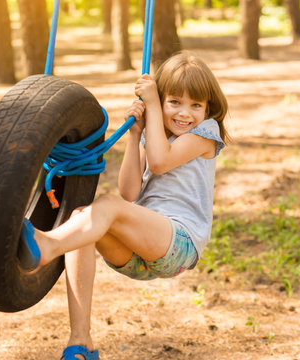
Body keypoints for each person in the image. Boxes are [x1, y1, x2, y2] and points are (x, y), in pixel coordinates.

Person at [18, 52, 230, 360]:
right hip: (141, 254)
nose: (186, 113)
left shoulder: (205, 134)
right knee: (83, 219)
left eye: (196, 105)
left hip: (180, 241)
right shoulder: (153, 137)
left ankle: (47, 246)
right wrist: (135, 135)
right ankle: (81, 342)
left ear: (207, 109)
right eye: (175, 102)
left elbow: (159, 163)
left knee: (106, 206)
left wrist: (155, 107)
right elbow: (129, 191)